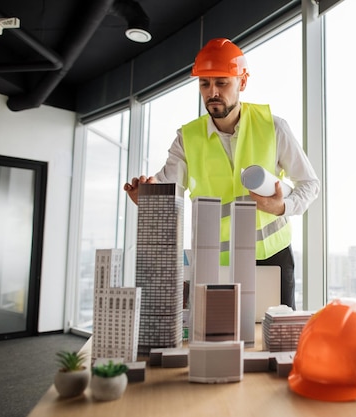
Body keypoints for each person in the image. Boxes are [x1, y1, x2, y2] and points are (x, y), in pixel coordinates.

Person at [124, 38, 320, 310]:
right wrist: (148, 195)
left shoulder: (273, 127)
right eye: (204, 84)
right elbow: (168, 187)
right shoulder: (187, 138)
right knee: (218, 340)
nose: (212, 91)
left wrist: (282, 206)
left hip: (271, 257)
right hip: (216, 263)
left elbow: (309, 184)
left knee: (274, 340)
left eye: (222, 82)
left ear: (242, 82)